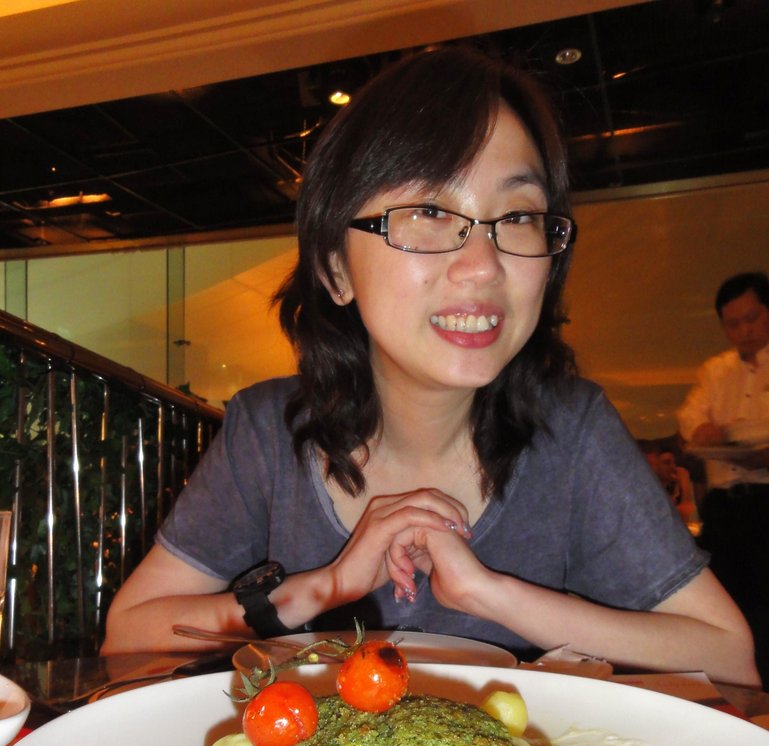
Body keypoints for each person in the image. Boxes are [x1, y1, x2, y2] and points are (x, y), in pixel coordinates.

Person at [102, 46, 758, 687]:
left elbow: (729, 658)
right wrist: (325, 586)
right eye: (429, 212)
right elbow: (130, 633)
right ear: (335, 268)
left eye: (518, 216)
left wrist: (492, 594)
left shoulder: (570, 429)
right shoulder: (269, 430)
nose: (483, 266)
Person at [678, 271, 769, 687]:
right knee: (727, 605)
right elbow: (690, 416)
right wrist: (701, 429)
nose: (744, 330)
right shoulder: (716, 371)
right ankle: (734, 692)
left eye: (752, 318)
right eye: (733, 324)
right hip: (726, 509)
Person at [654, 445, 699, 529]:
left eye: (674, 463)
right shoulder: (651, 490)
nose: (673, 467)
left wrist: (684, 483)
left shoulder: (674, 485)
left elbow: (689, 512)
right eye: (667, 463)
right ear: (654, 466)